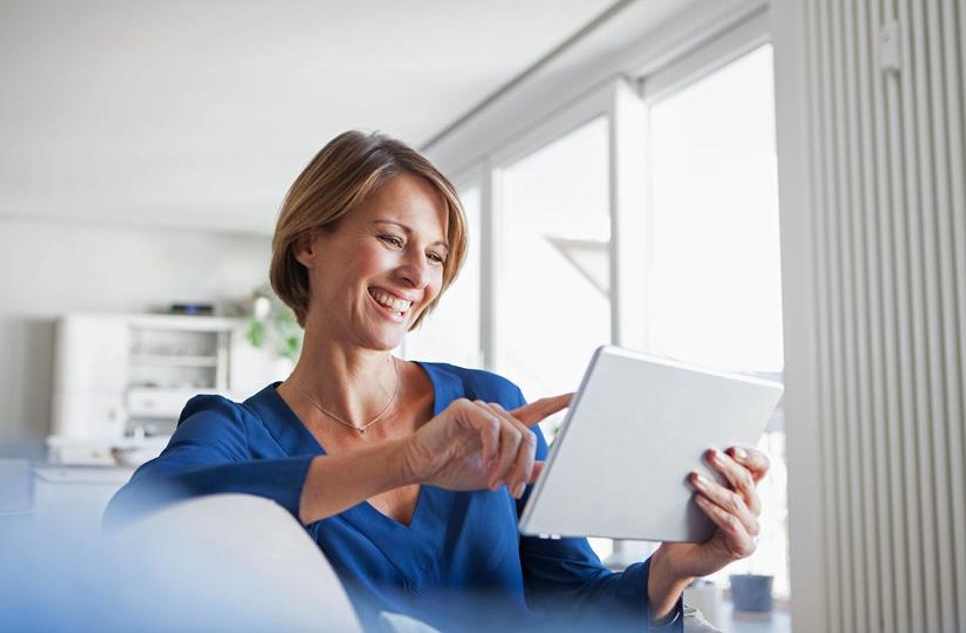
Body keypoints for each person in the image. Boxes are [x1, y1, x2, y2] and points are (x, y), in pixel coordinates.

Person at [105, 131, 770, 632]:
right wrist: (403, 459)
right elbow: (144, 517)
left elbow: (576, 604)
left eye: (435, 255)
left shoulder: (493, 405)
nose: (417, 276)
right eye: (392, 239)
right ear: (309, 244)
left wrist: (672, 568)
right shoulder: (236, 431)